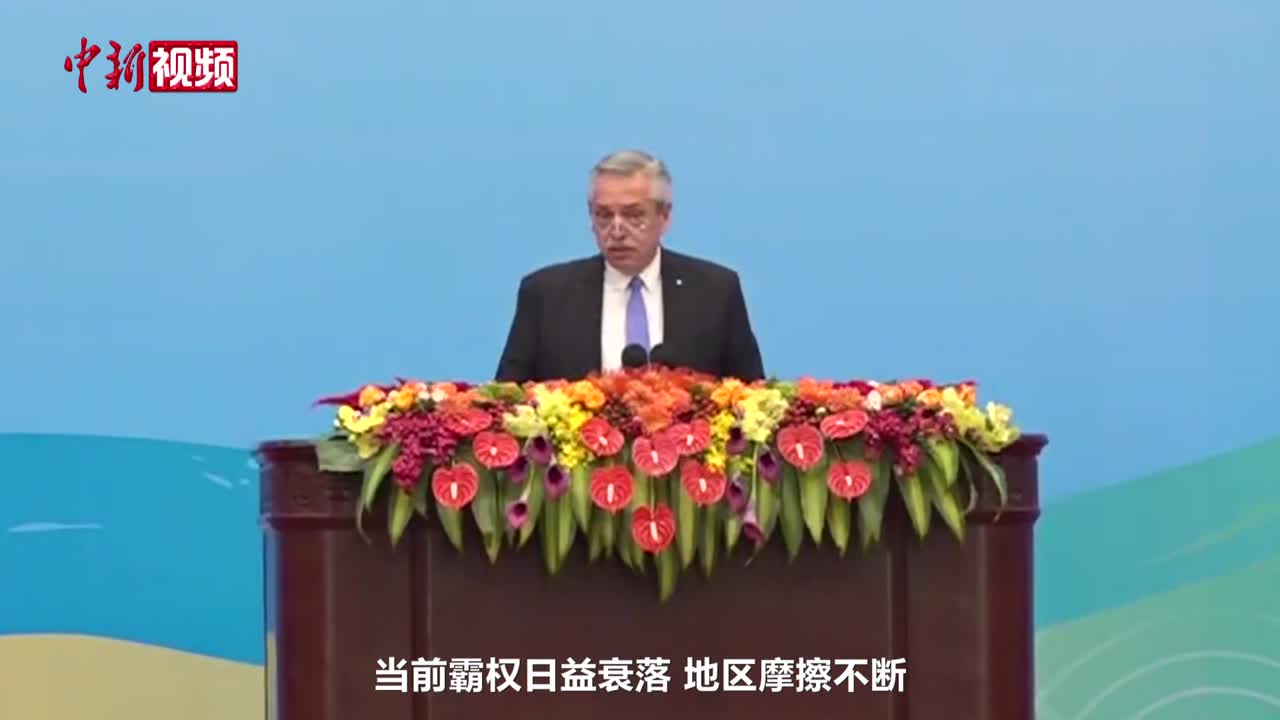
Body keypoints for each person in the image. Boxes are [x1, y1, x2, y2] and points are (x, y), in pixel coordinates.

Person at [494, 149, 766, 384]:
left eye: (633, 215)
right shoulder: (545, 294)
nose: (616, 230)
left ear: (664, 216)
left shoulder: (716, 291)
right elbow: (507, 401)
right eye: (603, 215)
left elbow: (751, 396)